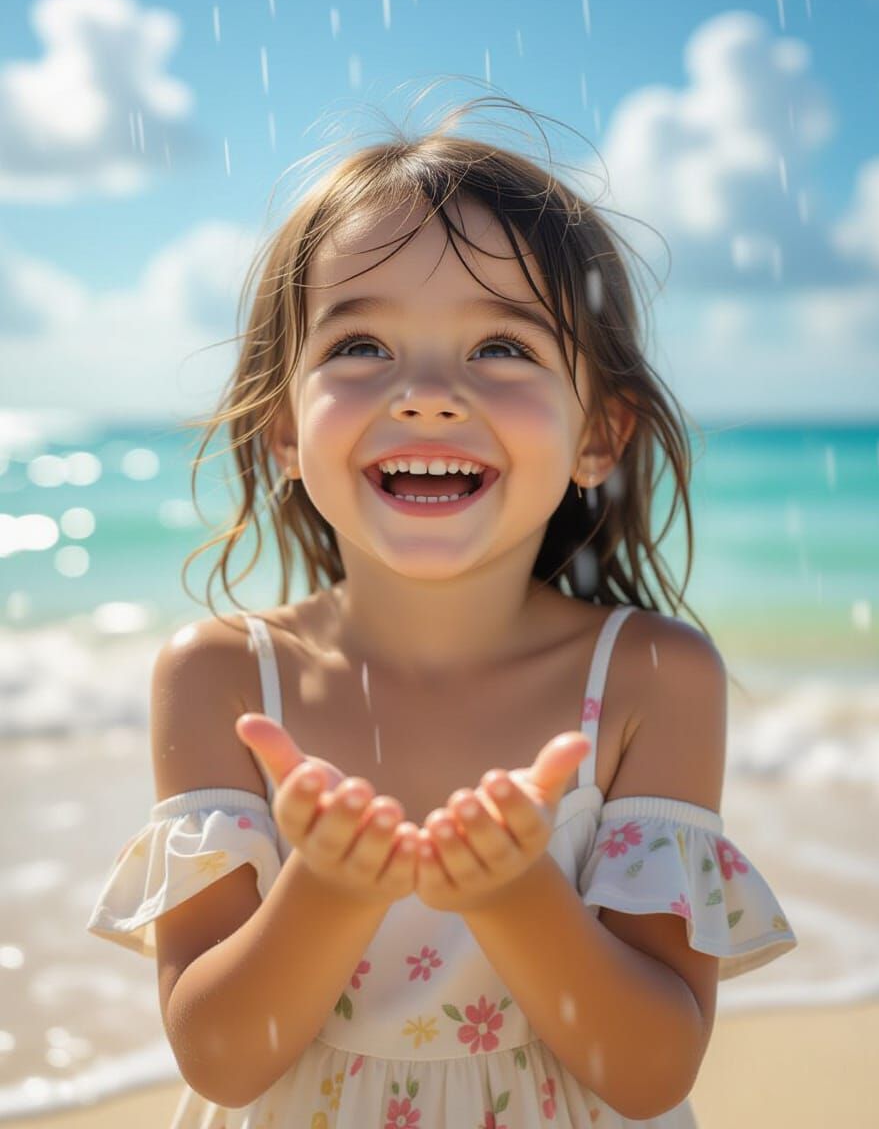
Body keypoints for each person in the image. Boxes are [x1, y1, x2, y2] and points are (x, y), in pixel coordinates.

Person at [88, 95, 797, 1128]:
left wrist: (513, 893)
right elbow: (220, 1060)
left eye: (501, 349)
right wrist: (325, 891)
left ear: (598, 433)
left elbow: (649, 1072)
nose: (424, 394)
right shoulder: (224, 680)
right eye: (361, 345)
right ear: (284, 428)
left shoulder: (648, 678)